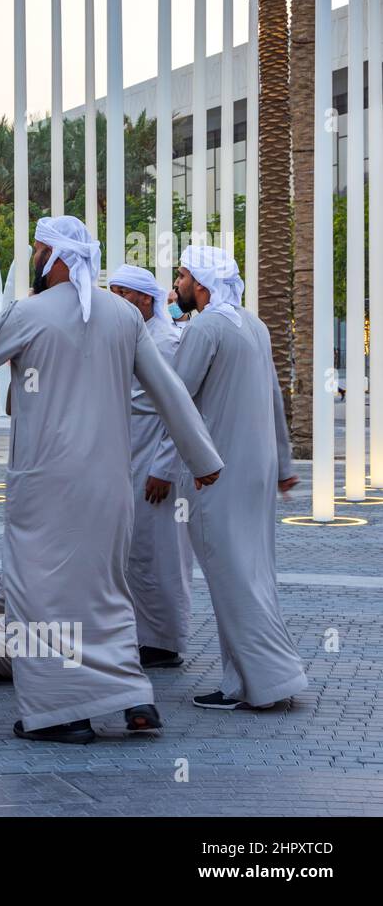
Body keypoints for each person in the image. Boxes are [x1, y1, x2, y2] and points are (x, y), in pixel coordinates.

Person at [0, 216, 224, 744]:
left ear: (56, 256)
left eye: (37, 249)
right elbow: (171, 393)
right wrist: (203, 460)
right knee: (107, 594)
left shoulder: (28, 312)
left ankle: (59, 714)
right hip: (109, 487)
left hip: (46, 487)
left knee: (39, 598)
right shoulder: (123, 316)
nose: (33, 259)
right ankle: (134, 700)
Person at [166, 245, 308, 710]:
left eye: (183, 275)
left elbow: (176, 400)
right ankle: (241, 682)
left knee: (231, 577)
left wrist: (159, 467)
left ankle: (268, 681)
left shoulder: (206, 327)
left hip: (217, 475)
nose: (179, 284)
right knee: (252, 573)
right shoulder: (255, 325)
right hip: (257, 472)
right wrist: (284, 467)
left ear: (201, 285)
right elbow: (273, 401)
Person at [108, 264, 193, 669]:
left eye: (123, 294)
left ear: (145, 299)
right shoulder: (129, 339)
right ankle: (137, 635)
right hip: (126, 453)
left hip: (155, 461)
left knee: (159, 551)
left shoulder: (169, 341)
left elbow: (179, 412)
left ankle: (164, 639)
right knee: (130, 549)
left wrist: (164, 467)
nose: (117, 301)